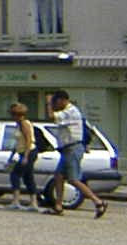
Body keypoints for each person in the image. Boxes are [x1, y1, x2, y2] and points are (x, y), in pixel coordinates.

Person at [44, 88, 107, 218]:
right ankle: (58, 206)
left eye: (56, 102)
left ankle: (98, 202)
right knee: (59, 176)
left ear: (62, 100)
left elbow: (52, 117)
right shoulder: (74, 111)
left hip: (73, 148)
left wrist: (48, 103)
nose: (55, 105)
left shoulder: (70, 111)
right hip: (69, 148)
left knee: (74, 179)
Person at [1, 102, 44, 210]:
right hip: (23, 152)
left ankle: (16, 201)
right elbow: (19, 142)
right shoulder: (19, 124)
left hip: (29, 152)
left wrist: (25, 156)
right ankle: (33, 202)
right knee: (28, 176)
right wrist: (13, 154)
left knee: (15, 175)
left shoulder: (24, 124)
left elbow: (28, 139)